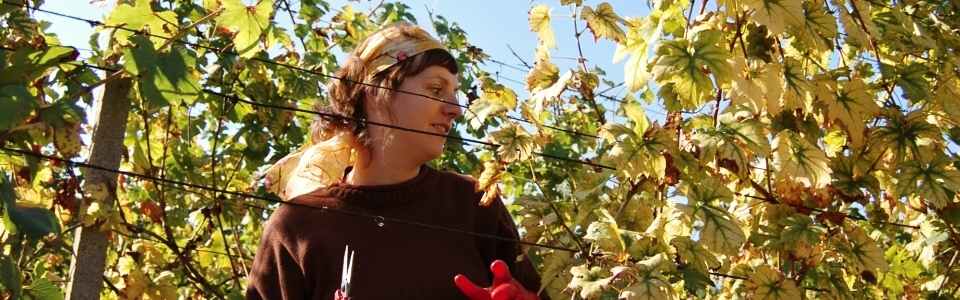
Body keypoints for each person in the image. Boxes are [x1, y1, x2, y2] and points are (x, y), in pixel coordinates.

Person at [245, 22, 545, 300]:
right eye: (436, 89)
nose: (455, 109)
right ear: (377, 92)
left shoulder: (472, 204)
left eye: (454, 93)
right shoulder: (296, 226)